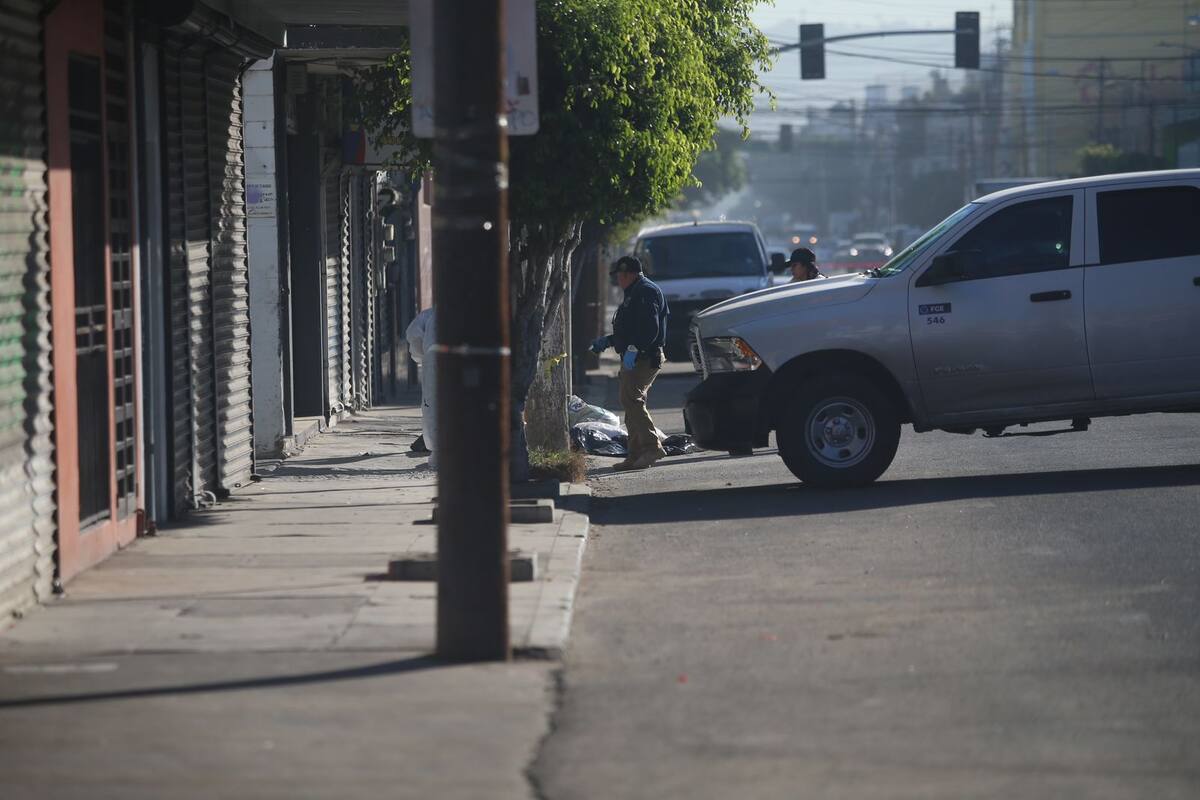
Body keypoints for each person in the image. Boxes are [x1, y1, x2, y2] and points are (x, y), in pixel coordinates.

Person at [590, 256, 670, 471]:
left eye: (618, 275)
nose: (617, 280)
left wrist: (635, 349)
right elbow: (630, 328)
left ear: (627, 273)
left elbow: (649, 329)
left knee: (632, 400)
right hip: (636, 355)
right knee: (629, 402)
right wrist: (609, 341)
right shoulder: (635, 291)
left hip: (645, 357)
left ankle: (651, 447)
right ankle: (635, 455)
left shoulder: (645, 291)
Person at [404, 306, 438, 469]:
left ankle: (438, 451)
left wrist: (421, 356)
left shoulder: (430, 314)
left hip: (433, 359)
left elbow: (413, 335)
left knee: (432, 405)